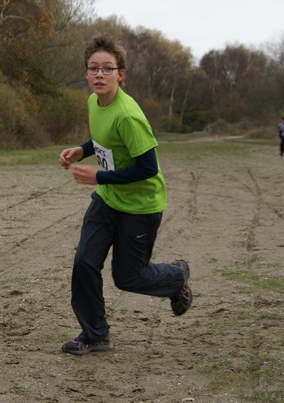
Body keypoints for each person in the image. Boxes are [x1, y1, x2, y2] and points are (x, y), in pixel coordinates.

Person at [58, 33, 192, 356]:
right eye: (93, 68)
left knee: (128, 277)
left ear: (121, 73)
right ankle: (95, 334)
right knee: (84, 262)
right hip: (108, 199)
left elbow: (148, 167)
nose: (99, 74)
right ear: (86, 73)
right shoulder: (94, 101)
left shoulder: (129, 116)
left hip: (140, 206)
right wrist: (82, 149)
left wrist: (99, 175)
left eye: (107, 68)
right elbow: (104, 140)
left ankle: (176, 277)